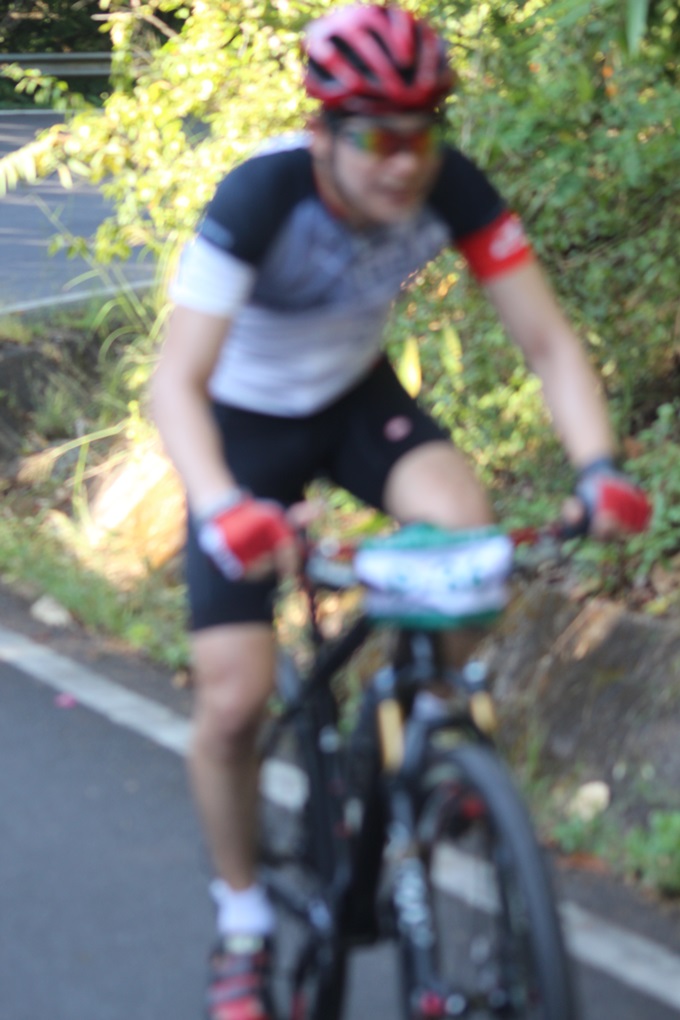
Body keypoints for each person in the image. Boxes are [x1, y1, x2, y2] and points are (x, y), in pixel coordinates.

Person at [150, 6, 651, 1018]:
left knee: (464, 528)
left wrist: (597, 467)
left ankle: (433, 725)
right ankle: (242, 918)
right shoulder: (261, 195)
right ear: (323, 131)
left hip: (353, 403)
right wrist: (223, 506)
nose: (403, 164)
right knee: (233, 703)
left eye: (422, 134)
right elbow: (174, 383)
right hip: (240, 425)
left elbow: (549, 343)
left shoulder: (449, 185)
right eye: (378, 139)